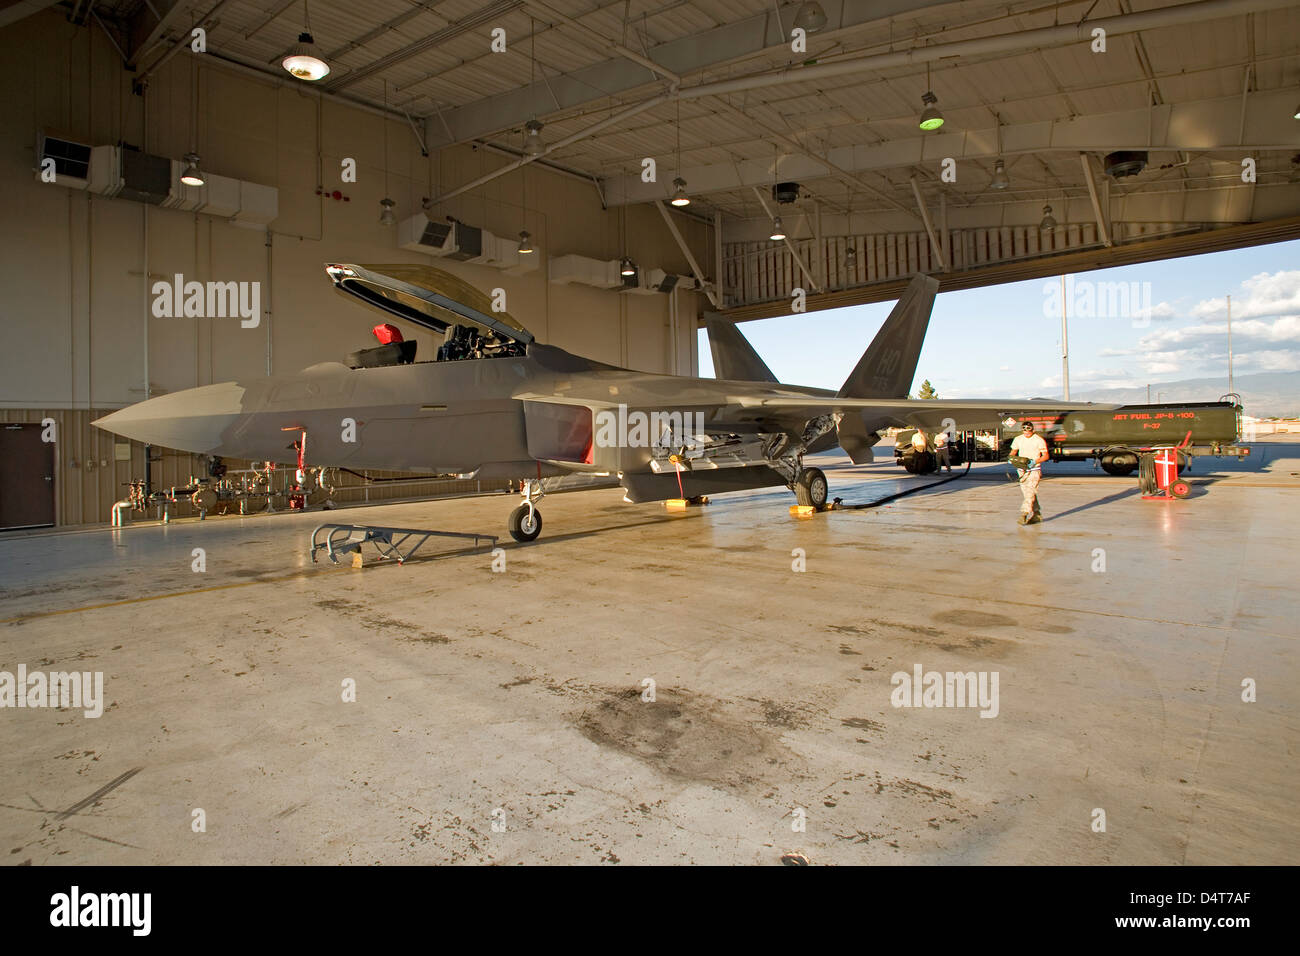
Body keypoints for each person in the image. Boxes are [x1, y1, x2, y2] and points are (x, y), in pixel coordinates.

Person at [1009, 421, 1048, 524]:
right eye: (1024, 431)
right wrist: (1012, 458)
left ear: (1032, 430)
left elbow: (1046, 456)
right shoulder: (1018, 439)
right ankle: (1037, 514)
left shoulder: (1038, 440)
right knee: (1027, 493)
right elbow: (1014, 451)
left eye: (1028, 431)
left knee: (1030, 492)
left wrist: (1035, 461)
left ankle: (1024, 514)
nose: (1026, 433)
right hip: (1022, 470)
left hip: (1034, 470)